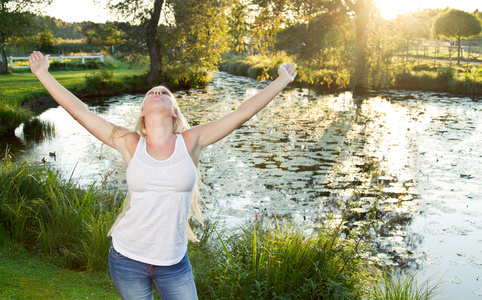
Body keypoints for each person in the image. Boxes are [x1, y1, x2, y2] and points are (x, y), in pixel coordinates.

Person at [28, 50, 297, 300]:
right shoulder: (130, 142)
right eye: (152, 92)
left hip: (174, 263)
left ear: (175, 112)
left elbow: (242, 113)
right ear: (143, 112)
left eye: (165, 93)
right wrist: (43, 73)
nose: (157, 92)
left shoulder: (191, 140)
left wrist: (281, 80)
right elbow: (80, 112)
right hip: (127, 258)